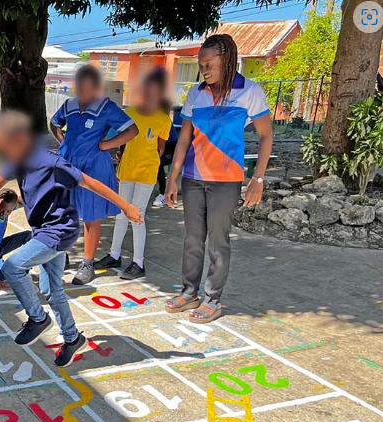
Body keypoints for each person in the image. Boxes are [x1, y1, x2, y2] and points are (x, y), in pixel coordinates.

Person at [0, 112, 142, 367]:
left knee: (12, 267)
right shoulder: (17, 161)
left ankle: (38, 319)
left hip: (60, 231)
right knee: (51, 288)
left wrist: (126, 206)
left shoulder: (52, 163)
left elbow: (91, 183)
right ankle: (72, 338)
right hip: (42, 230)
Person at [164, 34, 272, 323]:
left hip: (225, 180)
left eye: (209, 64)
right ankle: (190, 292)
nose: (204, 70)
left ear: (226, 61)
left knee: (218, 241)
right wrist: (172, 178)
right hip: (193, 177)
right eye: (201, 65)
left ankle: (213, 299)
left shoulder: (249, 91)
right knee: (192, 238)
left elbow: (265, 135)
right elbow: (184, 139)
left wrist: (257, 179)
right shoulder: (196, 94)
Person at [50, 65, 139, 286]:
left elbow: (132, 130)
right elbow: (54, 123)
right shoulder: (69, 105)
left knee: (90, 215)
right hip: (68, 165)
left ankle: (87, 263)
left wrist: (107, 144)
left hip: (93, 167)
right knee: (64, 211)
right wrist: (64, 142)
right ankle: (63, 253)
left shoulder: (107, 108)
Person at [106, 68, 173, 280]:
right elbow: (121, 142)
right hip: (126, 170)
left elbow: (160, 149)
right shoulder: (129, 114)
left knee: (137, 216)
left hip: (146, 173)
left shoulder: (163, 119)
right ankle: (114, 255)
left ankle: (138, 263)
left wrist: (148, 161)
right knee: (120, 214)